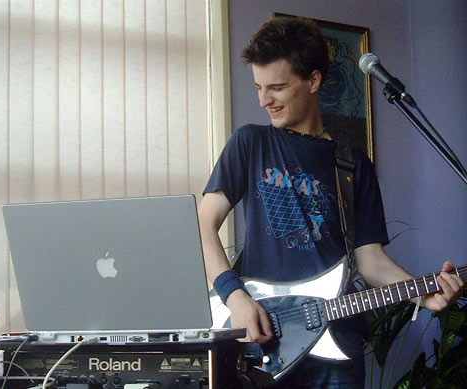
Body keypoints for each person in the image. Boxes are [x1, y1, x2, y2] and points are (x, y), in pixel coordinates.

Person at [198, 16, 464, 388]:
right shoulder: (250, 143)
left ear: (313, 80)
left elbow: (370, 261)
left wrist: (421, 293)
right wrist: (234, 296)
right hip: (264, 340)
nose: (263, 100)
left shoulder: (353, 164)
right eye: (259, 87)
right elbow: (203, 224)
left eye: (276, 87)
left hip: (338, 342)